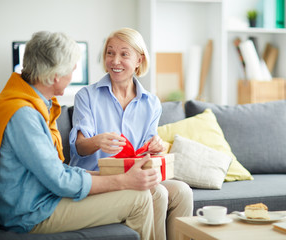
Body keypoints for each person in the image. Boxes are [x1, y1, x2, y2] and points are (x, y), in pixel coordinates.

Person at [0, 31, 157, 240]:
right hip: (31, 212)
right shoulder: (24, 115)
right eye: (72, 70)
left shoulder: (28, 104)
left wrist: (118, 178)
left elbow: (56, 171)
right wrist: (124, 181)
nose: (73, 77)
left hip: (43, 199)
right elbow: (60, 181)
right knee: (140, 199)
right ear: (56, 75)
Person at [69, 28, 193, 240]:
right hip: (99, 178)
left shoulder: (151, 103)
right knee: (158, 193)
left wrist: (156, 146)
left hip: (133, 173)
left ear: (139, 60)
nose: (115, 61)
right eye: (110, 53)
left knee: (183, 191)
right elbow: (80, 146)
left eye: (124, 54)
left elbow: (146, 154)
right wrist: (98, 141)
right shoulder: (86, 96)